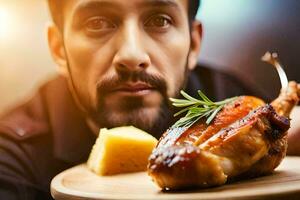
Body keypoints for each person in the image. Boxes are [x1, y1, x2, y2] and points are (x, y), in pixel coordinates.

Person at [0, 0, 299, 199]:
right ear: (59, 50)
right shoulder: (12, 153)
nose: (132, 55)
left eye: (160, 19)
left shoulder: (239, 99)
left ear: (193, 44)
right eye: (96, 23)